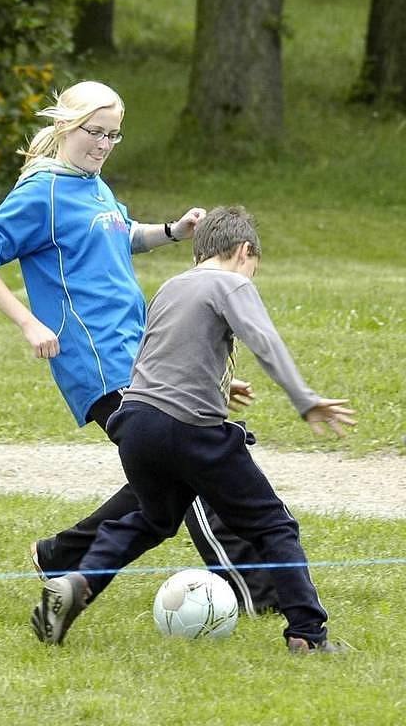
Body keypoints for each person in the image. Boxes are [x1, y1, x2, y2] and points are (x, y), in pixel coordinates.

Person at [0, 80, 278, 614]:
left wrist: (173, 230)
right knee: (193, 462)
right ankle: (257, 590)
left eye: (113, 136)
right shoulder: (42, 192)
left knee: (168, 477)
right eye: (94, 133)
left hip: (141, 351)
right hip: (98, 359)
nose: (103, 145)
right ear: (66, 127)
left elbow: (118, 233)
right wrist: (28, 323)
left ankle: (63, 555)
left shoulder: (92, 184)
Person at [30, 205, 356, 654]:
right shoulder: (232, 282)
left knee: (152, 519)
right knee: (274, 525)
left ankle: (80, 581)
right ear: (245, 252)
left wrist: (221, 384)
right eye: (253, 267)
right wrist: (305, 400)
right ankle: (308, 636)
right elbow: (265, 340)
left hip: (136, 421)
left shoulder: (171, 286)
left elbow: (159, 357)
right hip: (191, 429)